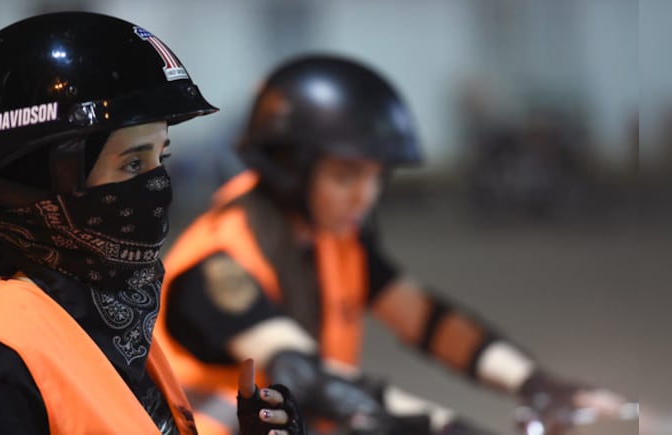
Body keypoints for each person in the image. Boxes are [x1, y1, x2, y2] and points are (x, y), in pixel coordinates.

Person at [154, 55, 631, 435]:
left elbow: (426, 321)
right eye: (346, 176)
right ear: (290, 169)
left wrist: (536, 383)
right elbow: (309, 377)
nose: (368, 196)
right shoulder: (216, 265)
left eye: (377, 176)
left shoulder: (334, 238)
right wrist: (447, 426)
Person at [0, 12, 304, 435]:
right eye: (132, 162)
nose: (158, 185)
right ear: (40, 179)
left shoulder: (113, 328)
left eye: (159, 158)